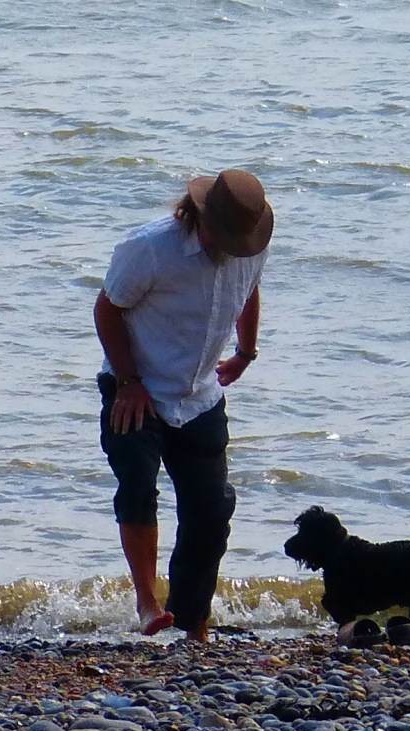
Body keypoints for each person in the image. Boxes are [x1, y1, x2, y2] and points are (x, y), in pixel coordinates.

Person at [94, 169, 273, 642]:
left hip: (199, 396)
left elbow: (249, 291)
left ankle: (191, 622)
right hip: (139, 388)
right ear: (200, 216)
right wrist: (130, 382)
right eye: (228, 235)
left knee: (212, 510)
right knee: (137, 485)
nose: (237, 245)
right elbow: (107, 308)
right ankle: (148, 603)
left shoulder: (249, 248)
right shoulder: (151, 247)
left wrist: (245, 352)